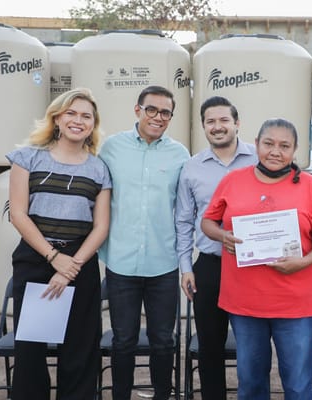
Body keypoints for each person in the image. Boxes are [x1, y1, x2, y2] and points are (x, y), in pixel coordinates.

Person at [201, 118, 312, 400]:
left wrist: (303, 262)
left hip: (296, 303)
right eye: (269, 143)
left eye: (284, 146)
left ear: (295, 150)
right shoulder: (232, 181)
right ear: (257, 144)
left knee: (298, 385)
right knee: (250, 383)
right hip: (245, 302)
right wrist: (222, 236)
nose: (276, 151)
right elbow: (207, 222)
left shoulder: (311, 186)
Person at [7, 88, 111, 400]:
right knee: (31, 351)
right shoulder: (27, 158)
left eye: (86, 116)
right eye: (71, 113)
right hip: (36, 258)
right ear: (57, 118)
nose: (78, 121)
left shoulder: (99, 168)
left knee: (80, 349)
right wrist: (53, 257)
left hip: (79, 262)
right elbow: (18, 214)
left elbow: (101, 226)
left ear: (93, 125)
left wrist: (69, 267)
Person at [99, 85, 190, 400]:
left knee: (163, 340)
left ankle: (162, 395)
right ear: (137, 109)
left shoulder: (180, 155)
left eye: (165, 112)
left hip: (163, 263)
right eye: (152, 109)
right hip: (120, 262)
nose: (158, 117)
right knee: (123, 339)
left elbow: (186, 208)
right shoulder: (111, 148)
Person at [175, 96, 257, 400]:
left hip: (253, 266)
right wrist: (186, 267)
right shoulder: (191, 167)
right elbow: (183, 221)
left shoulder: (259, 160)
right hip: (209, 266)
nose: (217, 126)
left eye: (224, 120)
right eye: (211, 121)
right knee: (210, 346)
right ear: (203, 127)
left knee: (253, 344)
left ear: (237, 123)